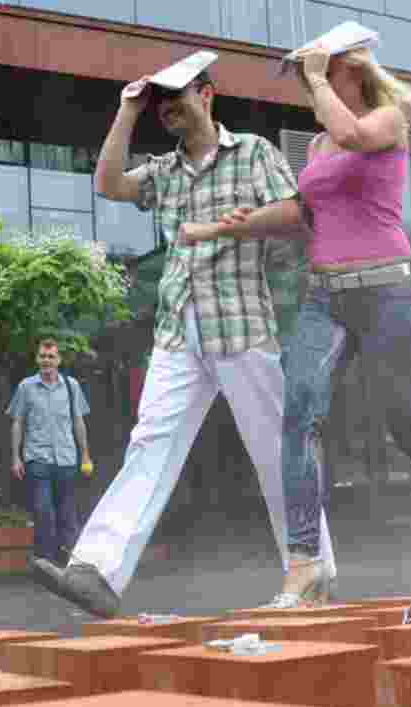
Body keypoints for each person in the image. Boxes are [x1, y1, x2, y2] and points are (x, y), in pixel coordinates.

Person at [181, 26, 411, 605]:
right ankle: (305, 561)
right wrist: (225, 225)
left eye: (320, 73)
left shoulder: (388, 121)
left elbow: (353, 133)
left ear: (349, 69)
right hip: (325, 296)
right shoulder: (315, 148)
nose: (311, 88)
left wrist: (315, 75)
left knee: (409, 430)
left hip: (387, 293)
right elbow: (300, 209)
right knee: (299, 415)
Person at [31, 51, 336, 618]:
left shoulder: (253, 154)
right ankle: (96, 570)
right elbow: (108, 182)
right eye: (160, 100)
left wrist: (231, 228)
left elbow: (299, 214)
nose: (167, 107)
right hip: (178, 328)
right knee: (150, 443)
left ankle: (314, 566)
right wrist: (127, 110)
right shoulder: (163, 170)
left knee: (276, 450)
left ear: (207, 93)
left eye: (177, 95)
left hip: (242, 322)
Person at [7, 338, 92, 566]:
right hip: (38, 458)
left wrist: (85, 455)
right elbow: (18, 422)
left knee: (67, 513)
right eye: (43, 357)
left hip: (66, 458)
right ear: (37, 359)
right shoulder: (26, 387)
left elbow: (78, 422)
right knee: (43, 510)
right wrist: (15, 458)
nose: (47, 361)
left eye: (51, 357)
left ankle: (71, 563)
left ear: (58, 360)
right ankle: (46, 562)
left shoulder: (71, 386)